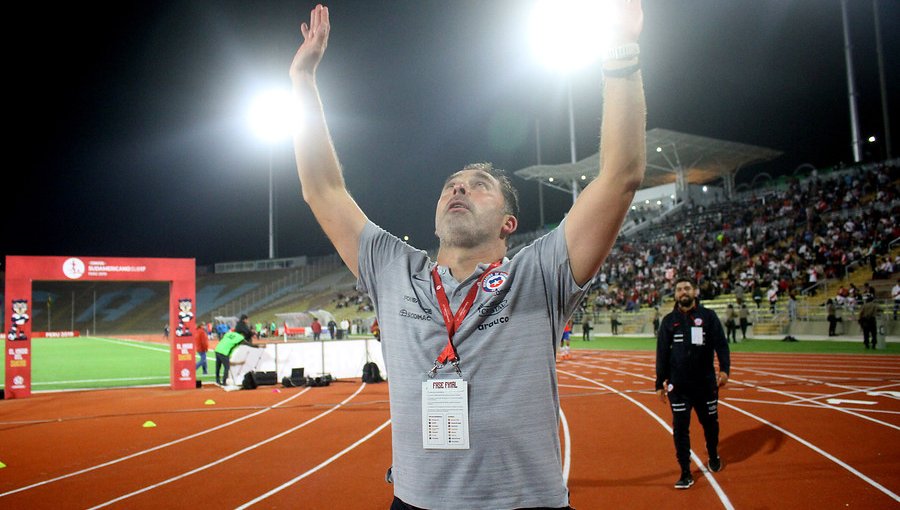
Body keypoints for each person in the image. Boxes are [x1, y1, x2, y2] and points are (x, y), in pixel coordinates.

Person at [288, 3, 646, 508]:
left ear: (508, 223)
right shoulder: (394, 270)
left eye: (479, 187)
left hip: (526, 503)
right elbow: (322, 189)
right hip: (416, 502)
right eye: (451, 186)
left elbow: (621, 175)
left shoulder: (539, 273)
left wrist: (621, 51)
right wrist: (303, 79)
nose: (459, 190)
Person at [656, 276, 730, 490]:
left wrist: (725, 370)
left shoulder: (708, 317)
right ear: (676, 294)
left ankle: (713, 453)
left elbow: (721, 345)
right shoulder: (669, 321)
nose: (683, 292)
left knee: (710, 424)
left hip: (705, 385)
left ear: (695, 291)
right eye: (679, 289)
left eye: (687, 288)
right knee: (680, 429)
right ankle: (685, 471)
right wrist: (659, 383)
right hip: (679, 387)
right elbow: (662, 354)